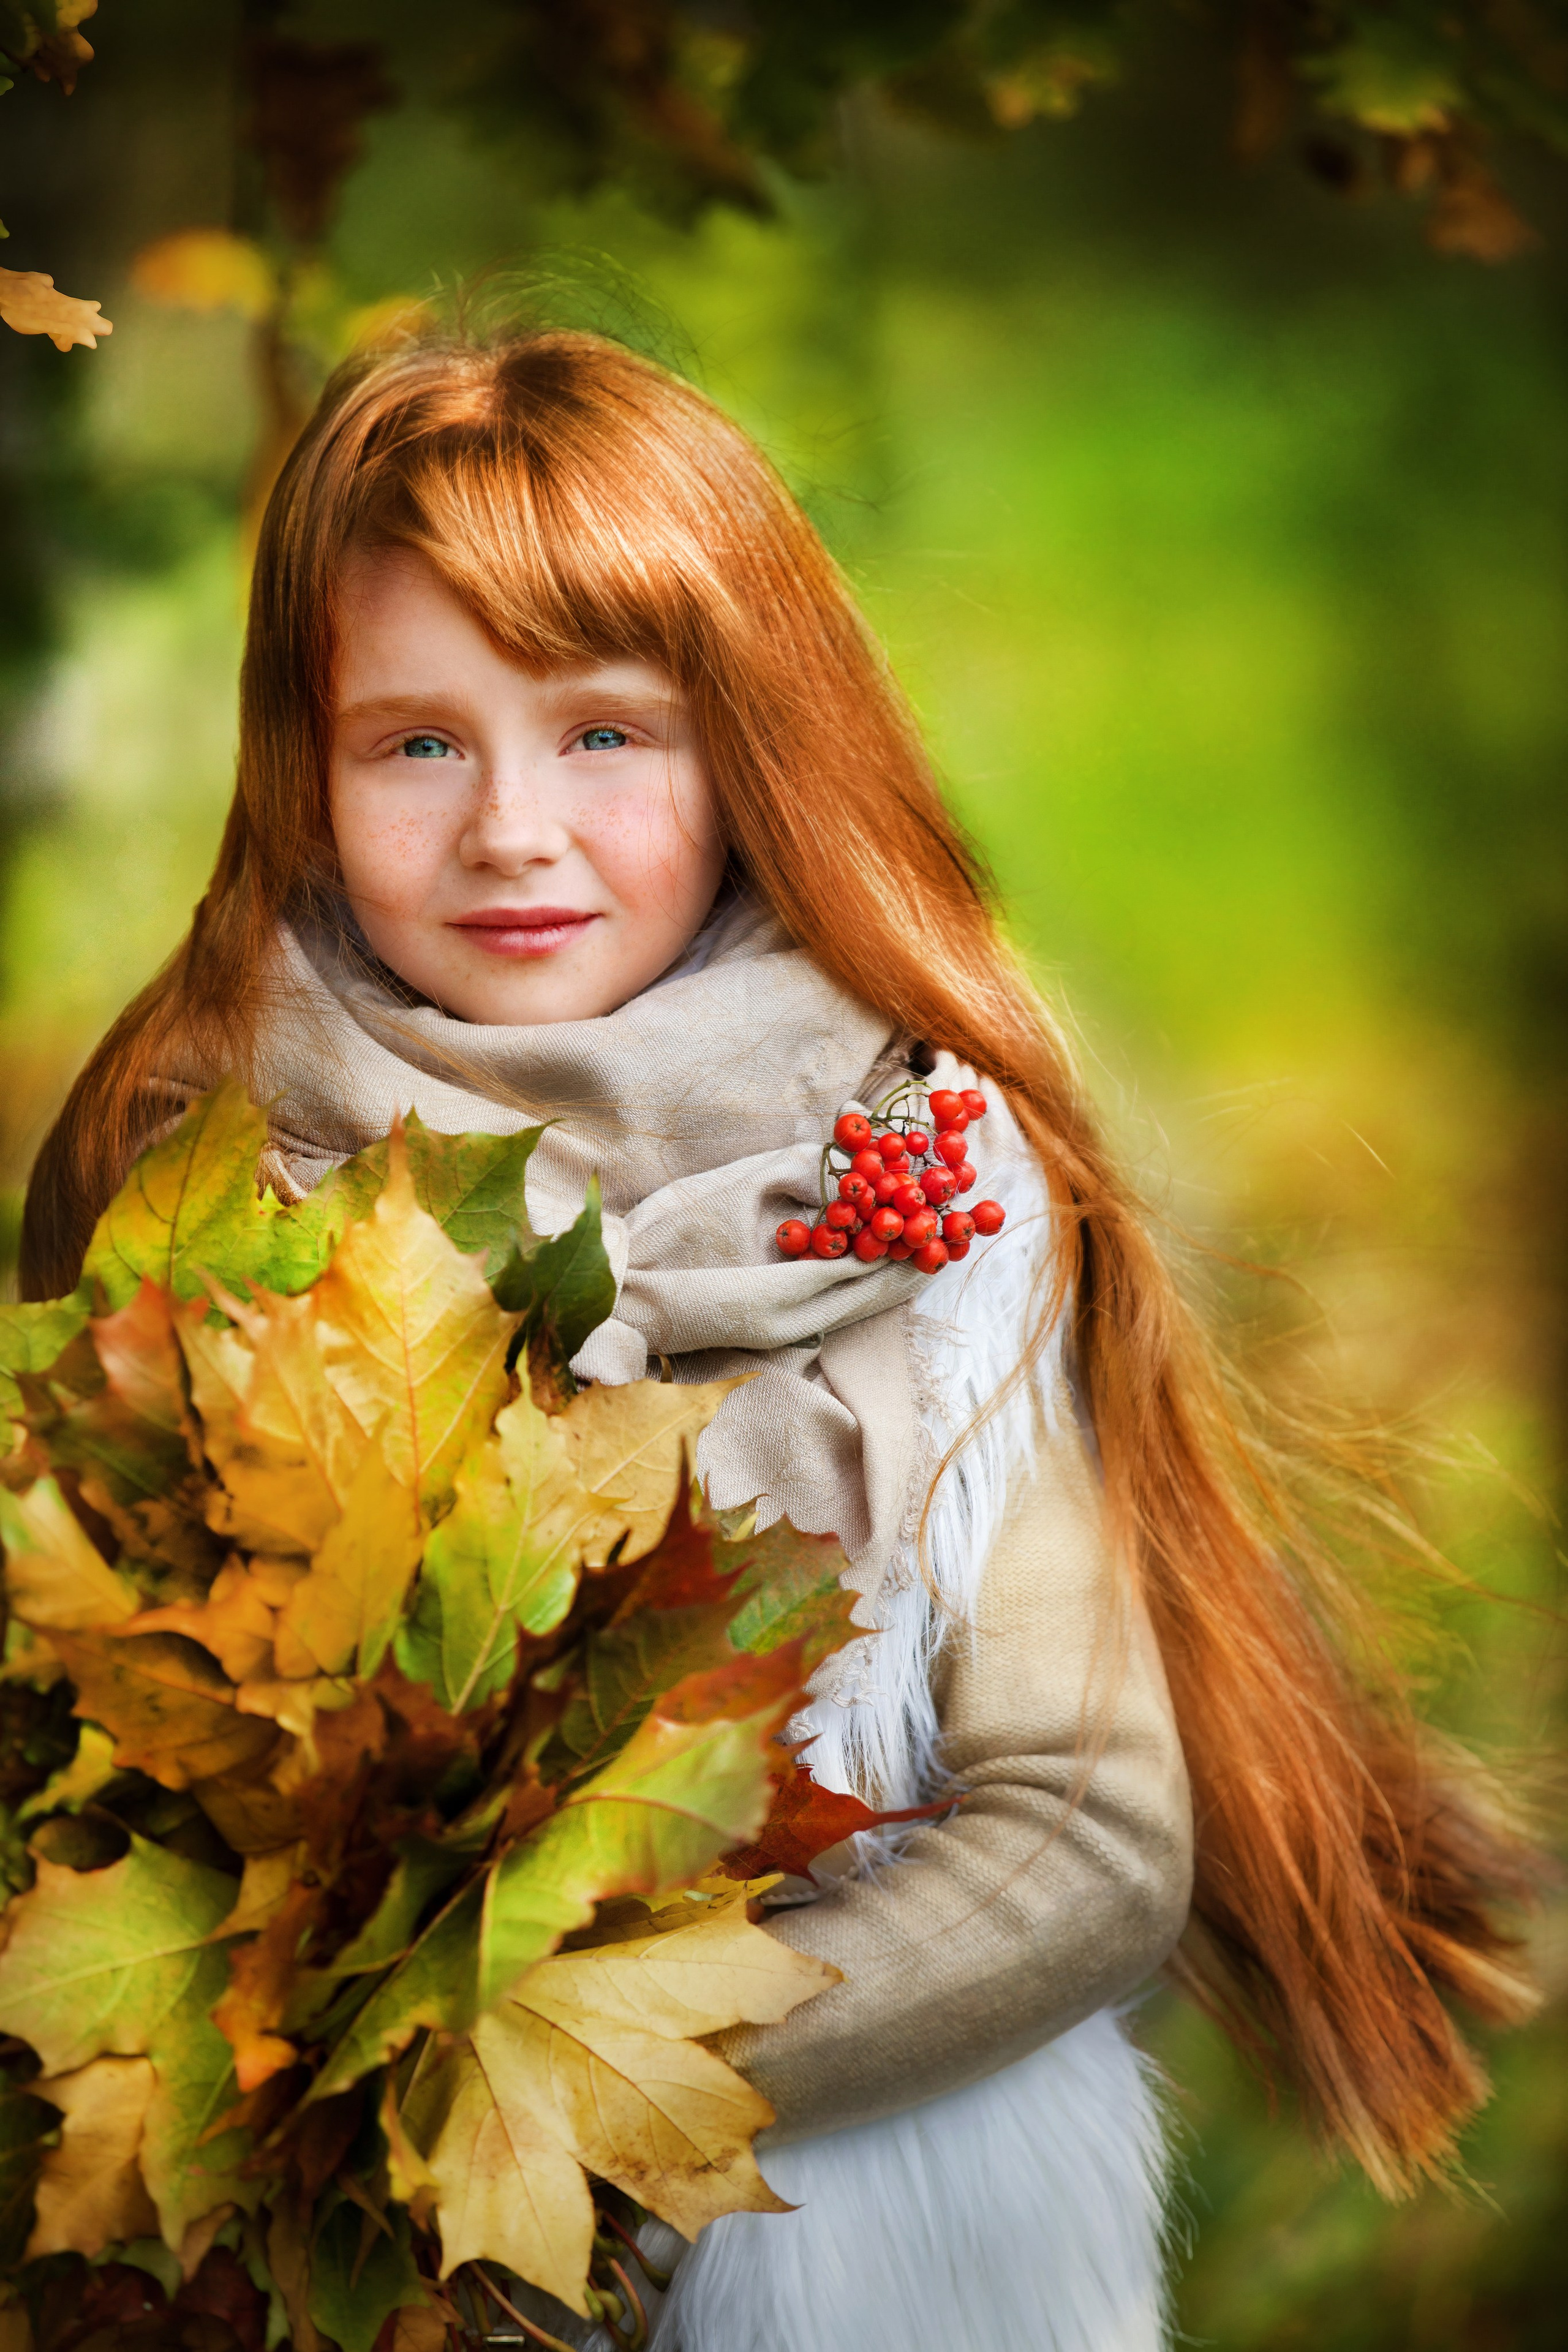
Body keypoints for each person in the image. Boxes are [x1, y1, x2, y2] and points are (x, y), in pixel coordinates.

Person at [20, 327, 1537, 2352]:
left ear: (746, 744)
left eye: (603, 735)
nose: (511, 831)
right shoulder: (192, 1173)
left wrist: (576, 2103)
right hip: (325, 2264)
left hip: (859, 2239)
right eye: (416, 744)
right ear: (305, 763)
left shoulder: (929, 1184)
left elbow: (1085, 1839)